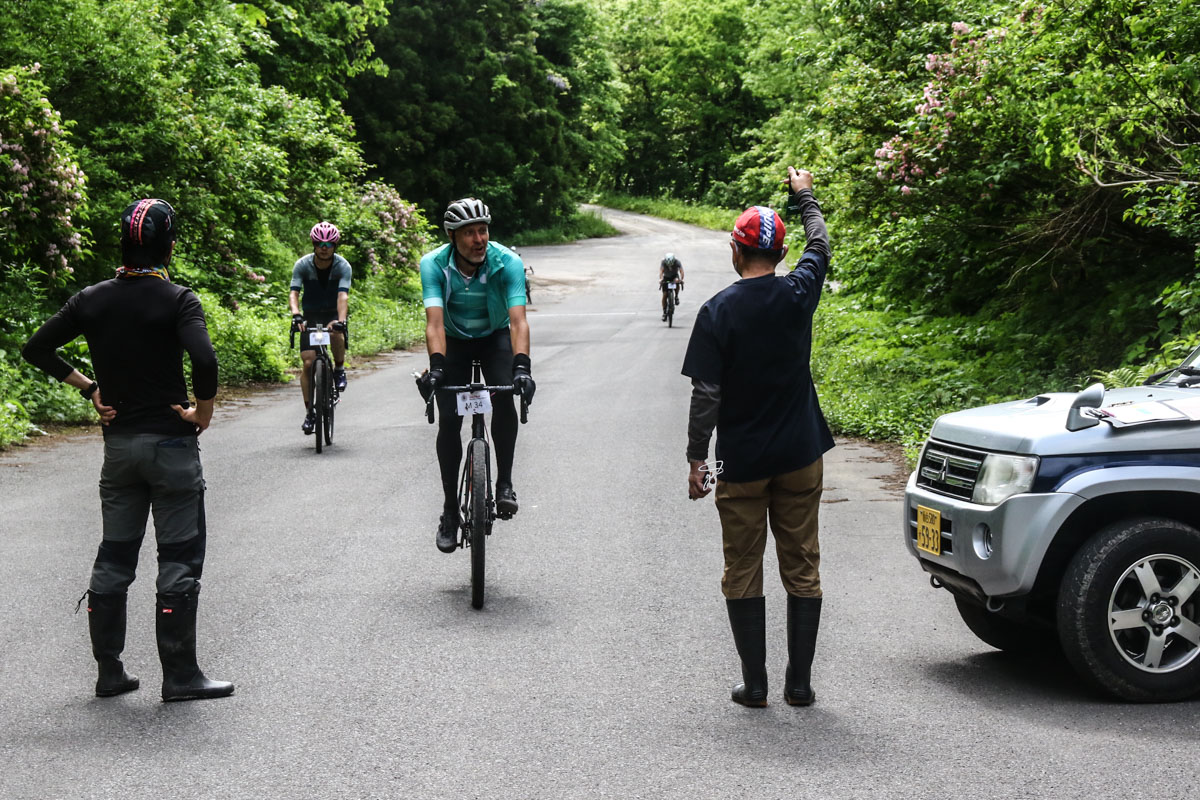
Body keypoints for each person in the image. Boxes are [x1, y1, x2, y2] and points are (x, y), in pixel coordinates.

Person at [22, 198, 234, 702]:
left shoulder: (91, 299)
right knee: (178, 558)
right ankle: (180, 676)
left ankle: (109, 672)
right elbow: (204, 359)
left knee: (115, 557)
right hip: (171, 447)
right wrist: (202, 413)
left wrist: (88, 387)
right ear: (170, 247)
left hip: (119, 450)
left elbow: (35, 348)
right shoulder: (178, 299)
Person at [680, 167, 833, 708]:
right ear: (781, 253)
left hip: (741, 463)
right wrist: (804, 195)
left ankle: (757, 684)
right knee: (803, 565)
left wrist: (699, 459)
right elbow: (822, 241)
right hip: (800, 453)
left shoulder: (717, 311)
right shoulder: (798, 291)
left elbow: (707, 397)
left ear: (734, 251)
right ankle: (800, 684)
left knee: (742, 568)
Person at [416, 198, 534, 553]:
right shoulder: (434, 264)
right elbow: (434, 322)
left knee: (506, 395)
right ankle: (450, 511)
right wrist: (436, 367)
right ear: (452, 236)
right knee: (449, 421)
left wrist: (522, 367)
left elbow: (518, 320)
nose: (479, 239)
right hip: (453, 339)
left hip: (495, 336)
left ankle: (505, 485)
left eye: (483, 230)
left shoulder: (507, 262)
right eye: (469, 233)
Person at [289, 221, 351, 435]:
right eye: (320, 243)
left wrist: (340, 320)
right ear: (314, 244)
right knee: (307, 364)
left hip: (333, 313)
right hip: (310, 315)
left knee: (336, 333)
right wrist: (296, 315)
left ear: (335, 246)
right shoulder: (303, 265)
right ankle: (310, 413)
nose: (324, 247)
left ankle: (339, 370)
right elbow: (294, 293)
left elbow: (343, 295)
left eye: (329, 243)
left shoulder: (342, 266)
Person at [660, 252, 684, 320]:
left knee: (677, 282)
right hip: (666, 277)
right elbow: (661, 271)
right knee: (665, 295)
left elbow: (681, 271)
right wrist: (661, 279)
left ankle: (676, 296)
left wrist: (681, 279)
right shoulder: (663, 262)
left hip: (674, 276)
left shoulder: (677, 262)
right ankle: (664, 312)